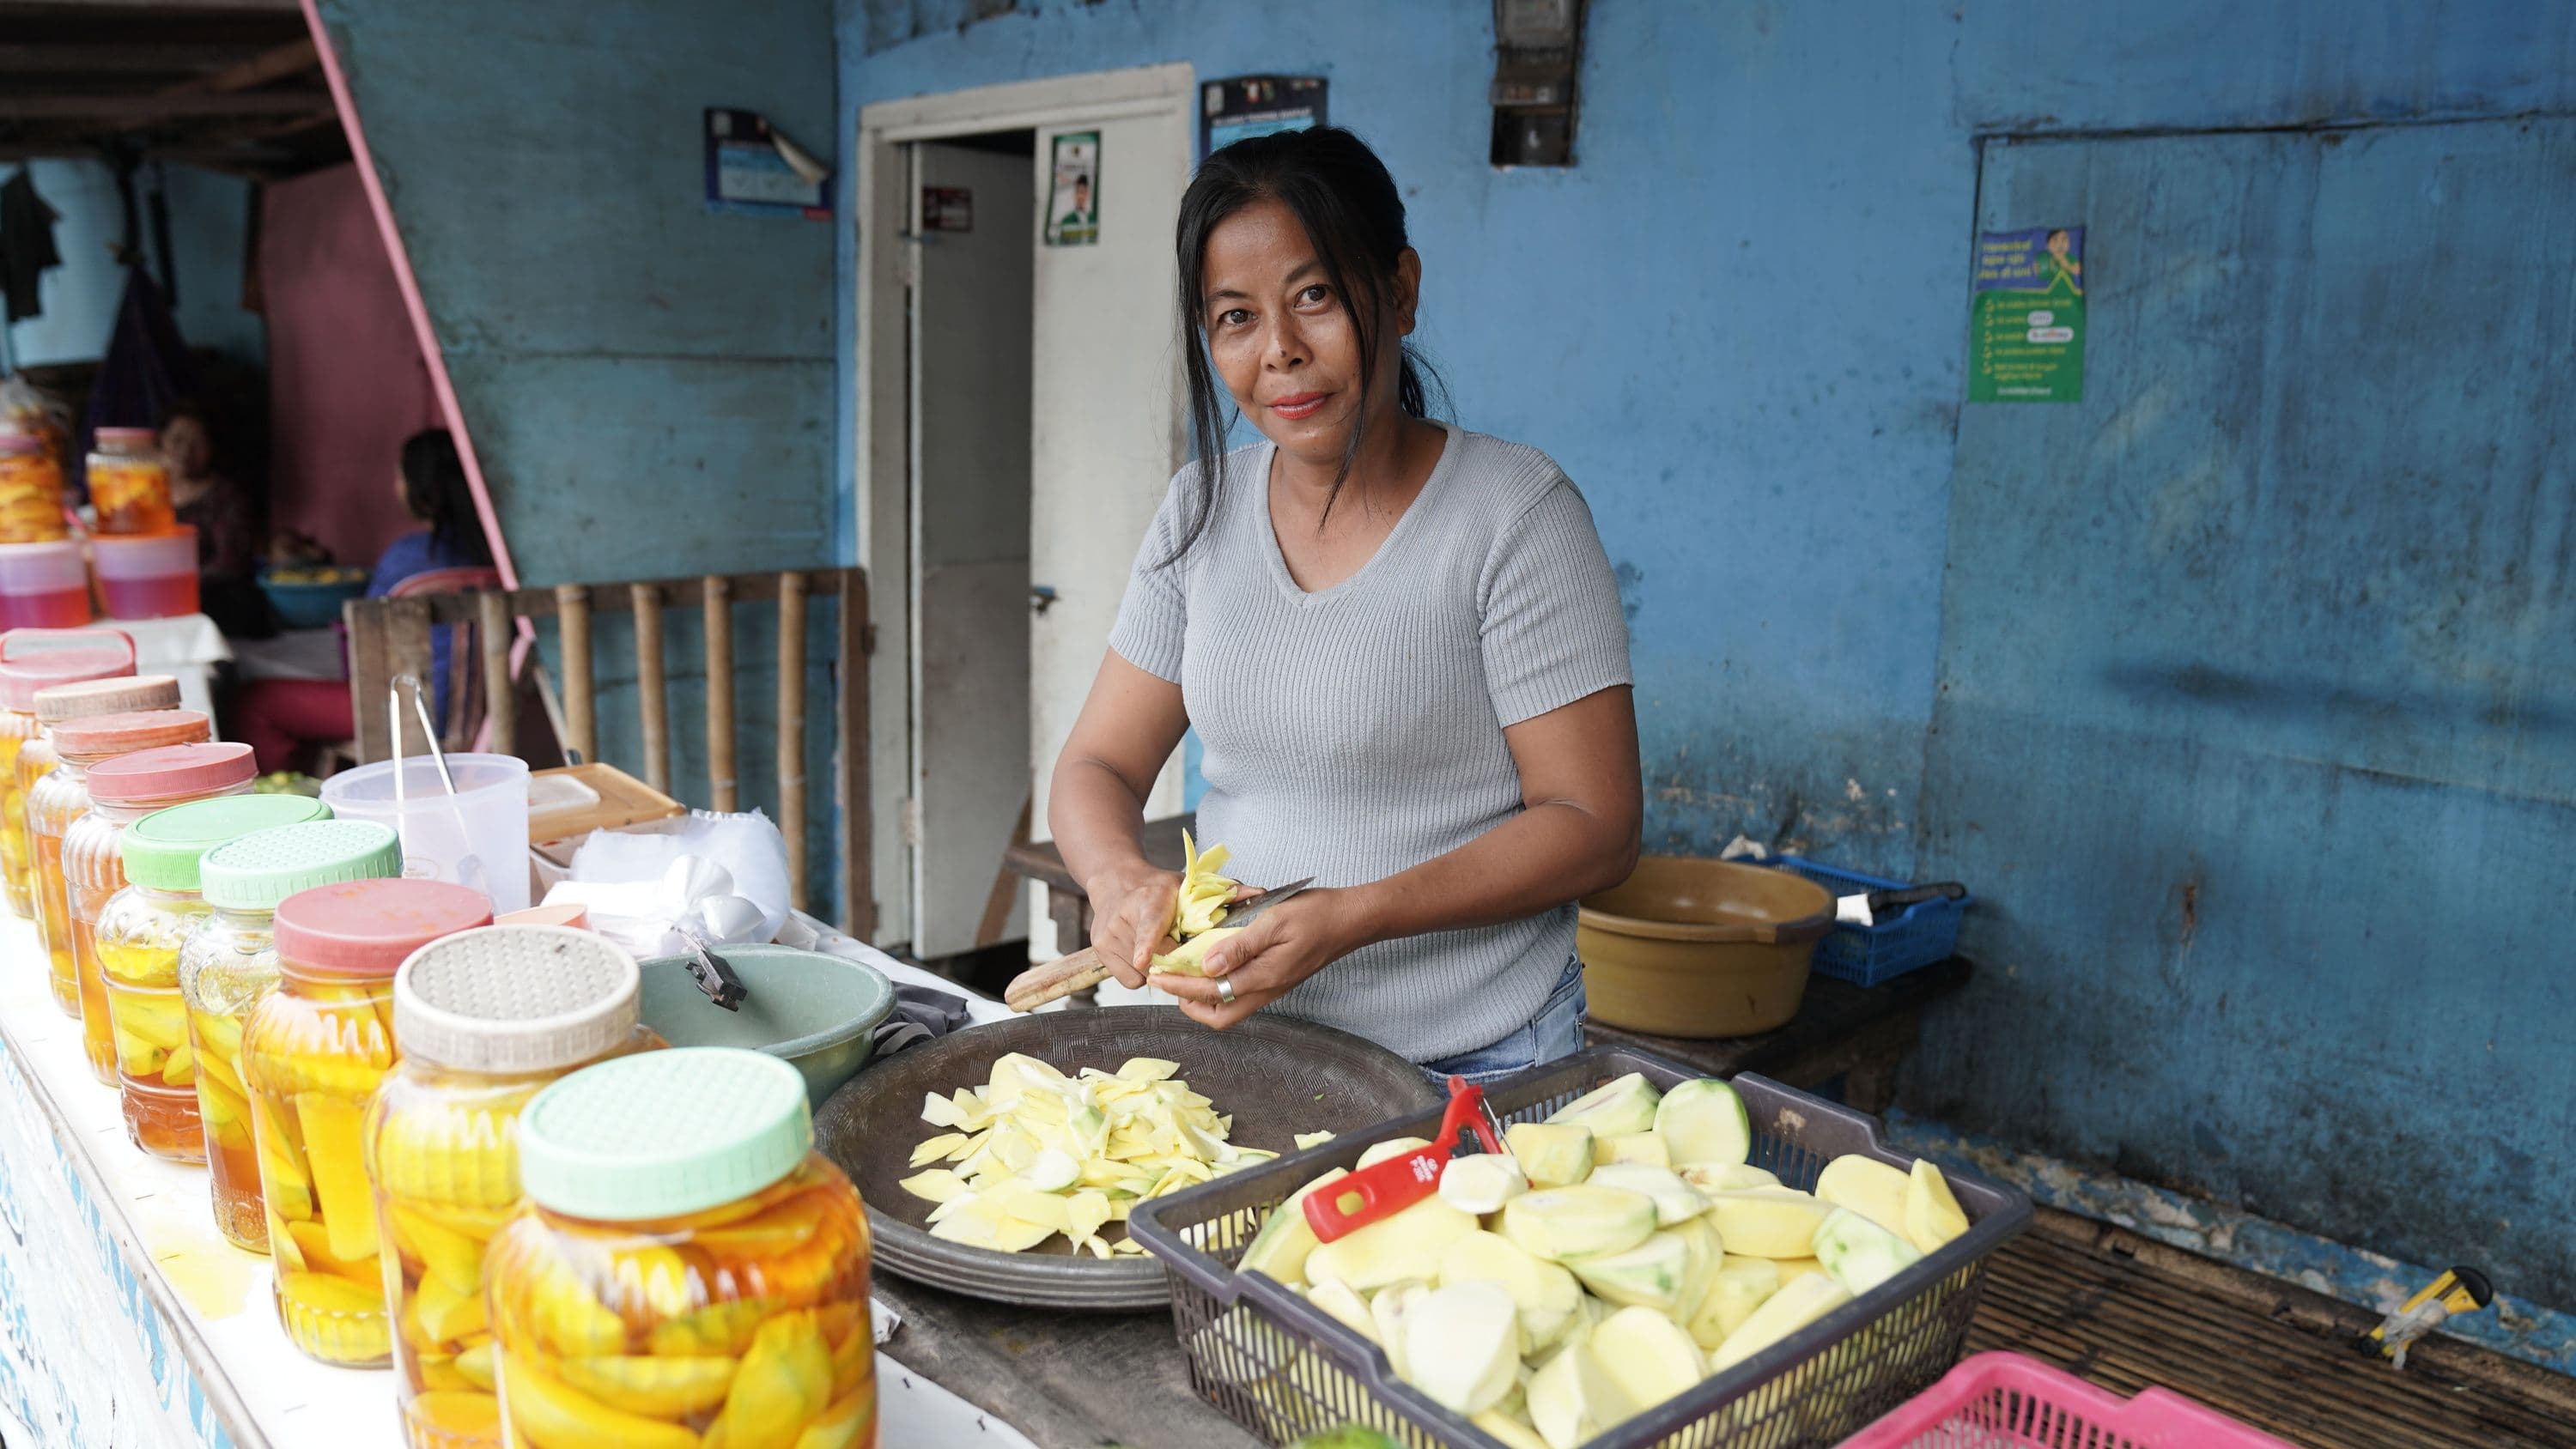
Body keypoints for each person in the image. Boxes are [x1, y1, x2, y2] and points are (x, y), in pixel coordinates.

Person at [1048, 127, 1641, 1083]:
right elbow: (1098, 762)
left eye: (1314, 296)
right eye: (1234, 317)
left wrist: (1354, 914)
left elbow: (1595, 821)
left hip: (1470, 1063)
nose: (1279, 351)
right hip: (1248, 1047)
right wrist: (1115, 873)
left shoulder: (1514, 514)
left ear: (1398, 288)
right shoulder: (1200, 510)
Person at [230, 428, 494, 772]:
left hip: (404, 710)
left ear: (417, 488)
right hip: (488, 706)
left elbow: (364, 647)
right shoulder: (498, 556)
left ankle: (291, 802)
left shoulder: (406, 556)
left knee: (255, 702)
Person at [157, 400, 263, 629]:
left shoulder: (226, 495)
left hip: (211, 598)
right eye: (177, 440)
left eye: (197, 442)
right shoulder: (148, 492)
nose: (185, 451)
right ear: (161, 441)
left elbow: (230, 563)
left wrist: (174, 586)